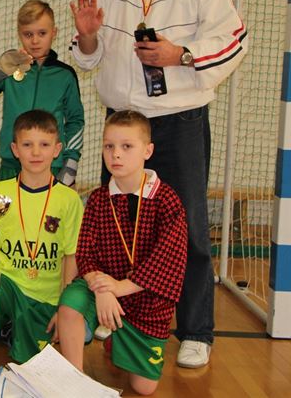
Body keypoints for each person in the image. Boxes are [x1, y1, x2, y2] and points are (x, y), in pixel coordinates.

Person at [70, 0, 248, 368]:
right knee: (115, 227)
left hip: (178, 125)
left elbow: (235, 40)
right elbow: (89, 58)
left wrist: (181, 55)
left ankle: (195, 331)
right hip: (122, 127)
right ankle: (117, 316)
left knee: (186, 225)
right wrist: (87, 37)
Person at [0, 110, 84, 398]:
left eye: (44, 144)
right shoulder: (0, 192)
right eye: (27, 144)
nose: (35, 152)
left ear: (57, 149)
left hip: (45, 297)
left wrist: (63, 307)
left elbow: (71, 257)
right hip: (7, 283)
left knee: (32, 368)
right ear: (15, 149)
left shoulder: (69, 199)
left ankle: (8, 328)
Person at [59, 110, 187, 395]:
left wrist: (119, 288)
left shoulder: (167, 200)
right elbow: (85, 254)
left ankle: (116, 339)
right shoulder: (98, 198)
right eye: (109, 146)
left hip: (146, 300)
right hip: (103, 290)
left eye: (126, 146)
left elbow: (168, 261)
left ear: (147, 151)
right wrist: (103, 289)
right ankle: (73, 381)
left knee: (144, 388)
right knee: (69, 305)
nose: (116, 154)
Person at [0, 0, 84, 185]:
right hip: (12, 163)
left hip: (51, 165)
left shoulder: (65, 75)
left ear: (54, 33)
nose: (35, 40)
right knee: (6, 205)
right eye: (28, 34)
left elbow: (75, 120)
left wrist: (70, 163)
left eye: (42, 33)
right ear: (19, 34)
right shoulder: (10, 66)